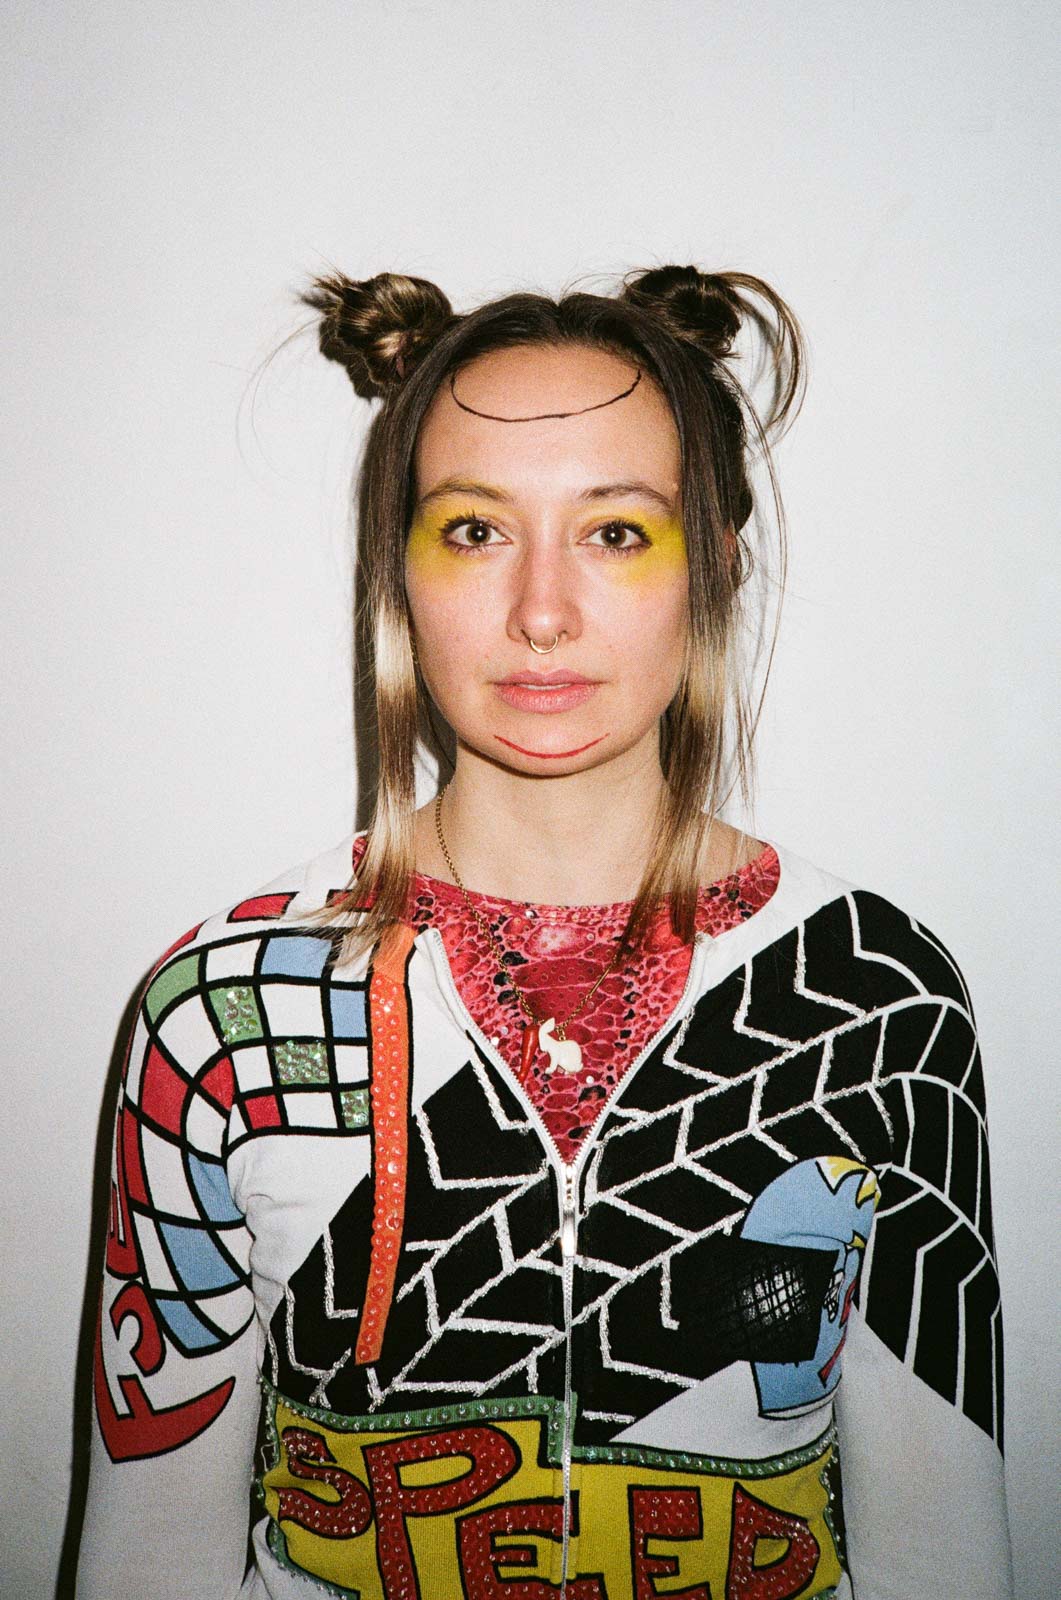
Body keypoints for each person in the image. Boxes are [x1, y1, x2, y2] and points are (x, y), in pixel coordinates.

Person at [77, 266, 1013, 1599]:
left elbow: (943, 1551)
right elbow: (147, 1552)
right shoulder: (225, 1011)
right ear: (398, 570)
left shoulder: (879, 1000)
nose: (541, 611)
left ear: (717, 563)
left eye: (616, 532)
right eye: (474, 530)